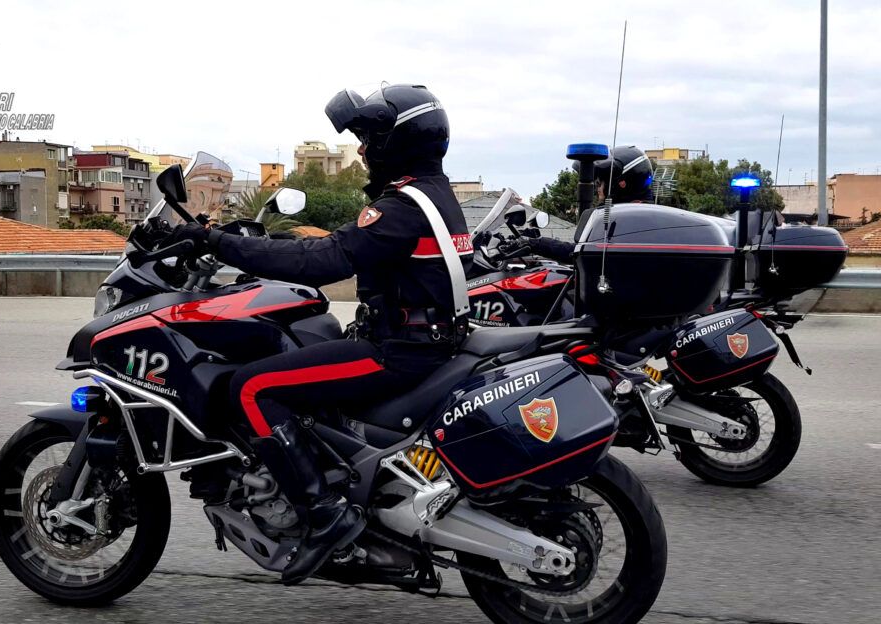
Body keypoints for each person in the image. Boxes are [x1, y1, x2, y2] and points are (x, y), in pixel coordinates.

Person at [168, 84, 471, 585]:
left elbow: (322, 261)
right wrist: (267, 243)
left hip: (399, 351)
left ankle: (324, 514)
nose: (362, 148)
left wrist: (214, 240)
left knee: (252, 387)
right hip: (426, 340)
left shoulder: (401, 207)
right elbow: (341, 245)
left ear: (400, 141)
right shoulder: (432, 196)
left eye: (370, 137)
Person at [522, 145, 655, 264]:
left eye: (600, 183)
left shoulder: (634, 217)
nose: (597, 189)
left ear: (621, 185)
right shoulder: (643, 213)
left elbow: (584, 253)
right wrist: (536, 239)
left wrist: (538, 244)